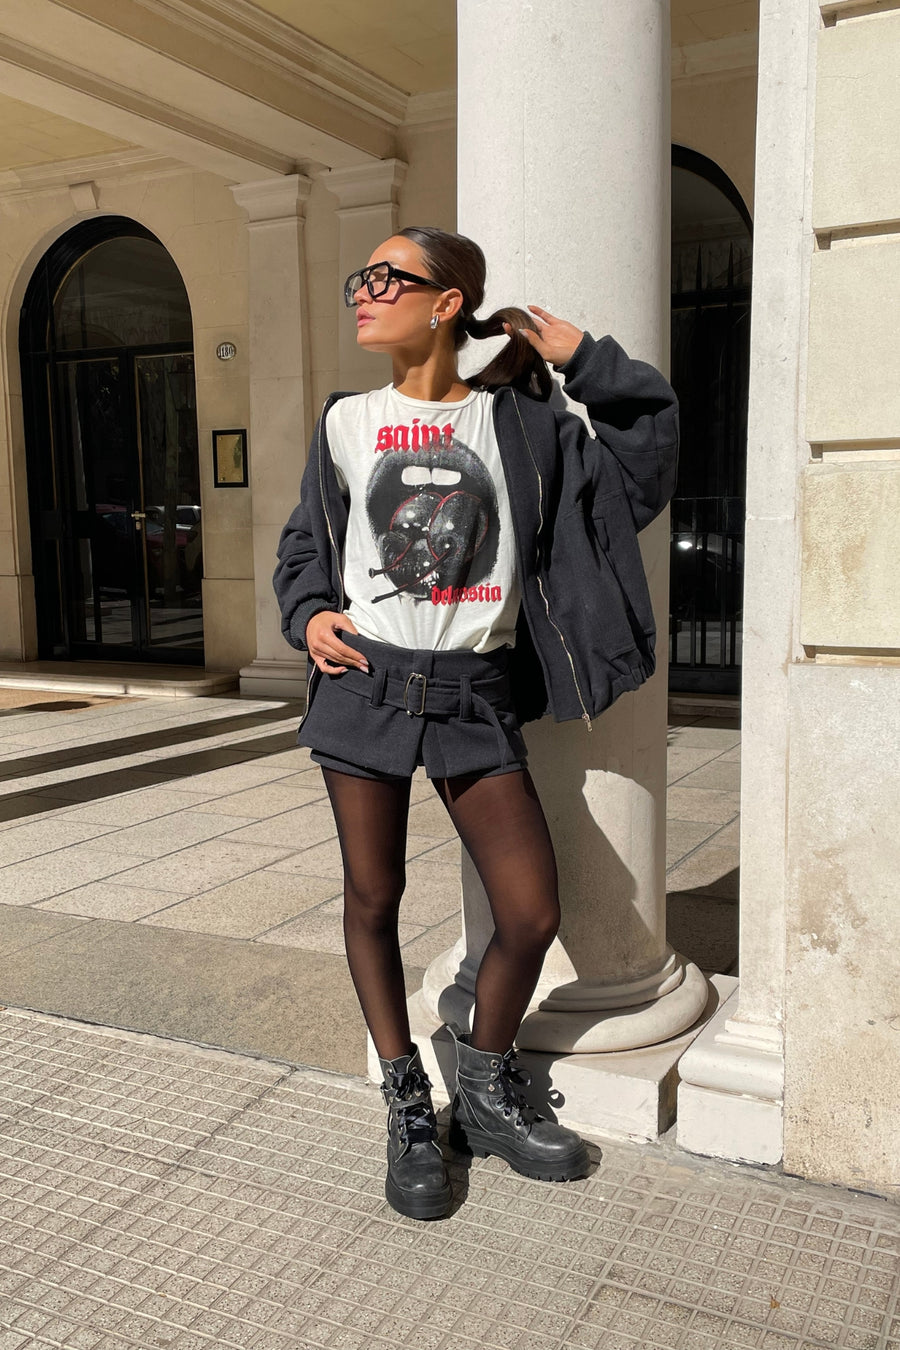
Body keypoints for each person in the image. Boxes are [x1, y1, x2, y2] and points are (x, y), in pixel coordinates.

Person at [274, 226, 678, 1221]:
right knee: (372, 897)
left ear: (447, 300)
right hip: (367, 686)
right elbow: (306, 551)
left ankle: (487, 1089)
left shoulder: (523, 425)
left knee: (530, 911)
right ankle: (410, 1099)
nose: (362, 292)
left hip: (472, 693)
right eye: (357, 275)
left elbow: (645, 461)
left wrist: (587, 361)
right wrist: (308, 612)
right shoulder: (344, 422)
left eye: (386, 277)